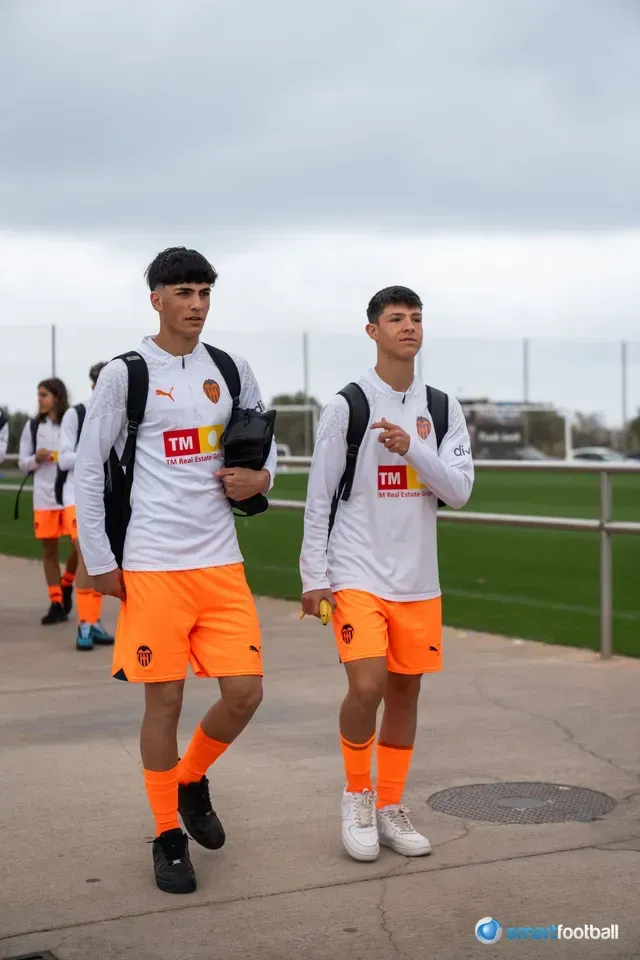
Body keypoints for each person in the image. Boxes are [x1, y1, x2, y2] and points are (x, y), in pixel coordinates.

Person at [75, 247, 276, 895]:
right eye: (183, 292)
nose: (196, 304)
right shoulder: (124, 374)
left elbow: (268, 439)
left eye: (204, 292)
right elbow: (86, 467)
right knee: (163, 700)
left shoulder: (229, 367)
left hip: (221, 562)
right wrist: (101, 562)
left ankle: (191, 778)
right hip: (153, 564)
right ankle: (167, 836)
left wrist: (263, 476)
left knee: (244, 693)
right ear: (156, 298)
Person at [300, 285, 474, 862]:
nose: (408, 327)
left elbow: (460, 491)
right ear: (372, 331)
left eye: (416, 318)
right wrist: (313, 576)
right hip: (357, 573)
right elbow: (319, 496)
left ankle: (392, 806)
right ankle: (357, 795)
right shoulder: (346, 405)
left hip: (418, 579)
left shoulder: (443, 410)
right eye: (396, 318)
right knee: (367, 685)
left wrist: (414, 450)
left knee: (406, 690)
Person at [58, 362, 115, 651]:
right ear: (94, 384)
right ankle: (84, 624)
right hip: (76, 497)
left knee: (100, 557)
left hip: (109, 498)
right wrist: (94, 450)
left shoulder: (124, 411)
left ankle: (92, 620)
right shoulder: (77, 413)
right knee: (84, 553)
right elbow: (63, 458)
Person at [18, 378, 79, 624]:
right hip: (44, 497)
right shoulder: (32, 426)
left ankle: (67, 583)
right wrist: (35, 458)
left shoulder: (71, 422)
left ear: (57, 396)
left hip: (70, 494)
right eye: (38, 395)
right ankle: (55, 602)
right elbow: (22, 463)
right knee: (50, 551)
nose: (40, 399)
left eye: (44, 395)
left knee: (79, 547)